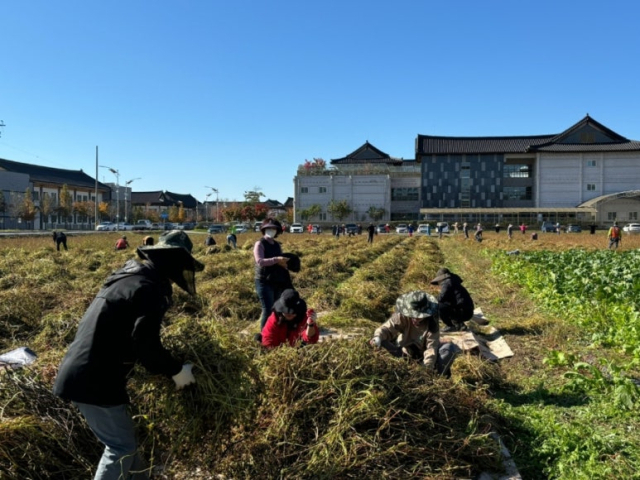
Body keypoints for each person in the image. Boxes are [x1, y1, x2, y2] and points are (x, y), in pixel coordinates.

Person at [53, 230, 204, 480]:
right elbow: (145, 343)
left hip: (88, 371)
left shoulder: (128, 278)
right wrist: (175, 370)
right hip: (95, 377)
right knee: (121, 448)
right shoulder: (149, 288)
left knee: (127, 442)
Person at [369, 291, 461, 378]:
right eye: (412, 315)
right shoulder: (402, 317)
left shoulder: (431, 325)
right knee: (382, 340)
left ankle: (434, 377)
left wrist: (426, 368)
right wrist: (378, 337)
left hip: (423, 357)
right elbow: (386, 328)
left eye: (419, 316)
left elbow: (431, 348)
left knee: (450, 348)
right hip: (404, 353)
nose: (415, 318)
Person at [254, 218, 291, 329]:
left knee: (276, 307)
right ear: (264, 229)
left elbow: (279, 261)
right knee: (267, 308)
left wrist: (285, 264)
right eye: (269, 228)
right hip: (263, 280)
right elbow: (260, 261)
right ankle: (263, 335)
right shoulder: (260, 243)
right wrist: (276, 259)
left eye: (274, 229)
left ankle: (274, 331)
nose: (271, 230)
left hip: (275, 279)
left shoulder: (276, 244)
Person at [430, 268, 475, 332]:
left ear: (441, 279)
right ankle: (459, 324)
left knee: (439, 306)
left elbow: (441, 298)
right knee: (446, 305)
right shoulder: (453, 283)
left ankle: (450, 326)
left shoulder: (447, 283)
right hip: (467, 311)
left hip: (463, 311)